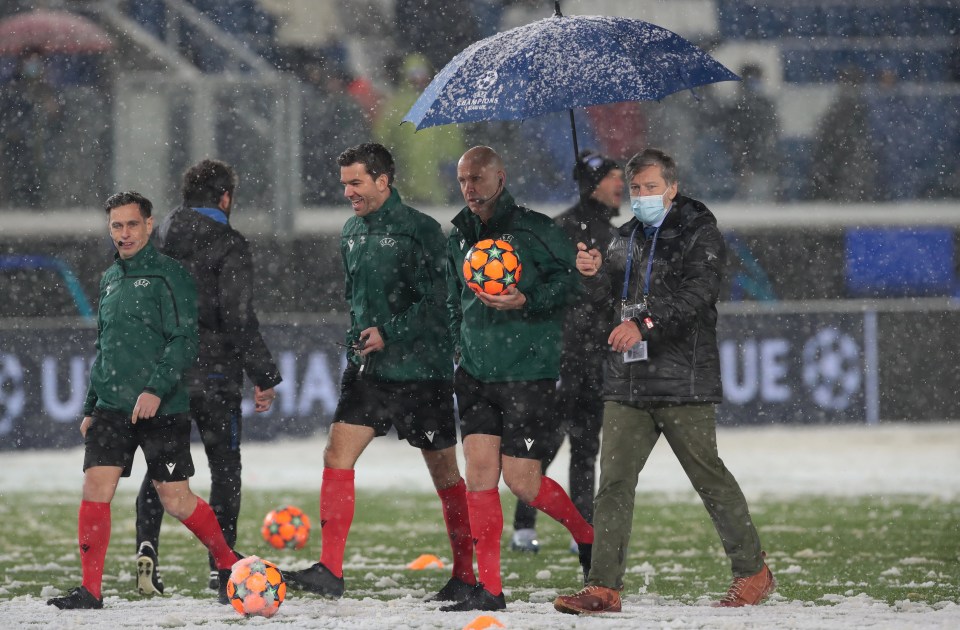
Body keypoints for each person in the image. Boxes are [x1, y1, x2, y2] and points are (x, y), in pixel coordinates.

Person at [553, 149, 776, 615]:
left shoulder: (700, 232)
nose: (642, 196)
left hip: (681, 380)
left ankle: (753, 571)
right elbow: (604, 304)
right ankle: (603, 588)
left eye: (651, 188)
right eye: (636, 188)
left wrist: (645, 325)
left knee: (707, 477)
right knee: (612, 484)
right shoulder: (624, 238)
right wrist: (592, 276)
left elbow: (697, 296)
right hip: (627, 380)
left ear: (672, 188)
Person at [285, 143, 476, 603]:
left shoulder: (423, 231)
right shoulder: (351, 230)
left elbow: (439, 301)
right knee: (336, 454)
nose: (347, 191)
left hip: (420, 372)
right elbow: (357, 298)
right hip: (370, 370)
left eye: (355, 182)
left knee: (445, 473)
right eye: (344, 183)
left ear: (383, 181)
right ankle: (330, 569)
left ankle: (466, 575)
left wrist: (389, 331)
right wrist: (361, 336)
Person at [46, 191, 240, 610]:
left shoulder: (172, 276)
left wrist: (155, 388)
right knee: (95, 489)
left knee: (175, 499)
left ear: (149, 225)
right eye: (117, 225)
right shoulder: (110, 278)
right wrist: (90, 406)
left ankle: (228, 564)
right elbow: (106, 347)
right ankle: (90, 591)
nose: (124, 233)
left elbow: (185, 341)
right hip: (111, 408)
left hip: (163, 408)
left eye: (132, 224)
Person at [442, 146, 594, 612]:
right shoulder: (458, 235)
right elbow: (452, 300)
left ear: (500, 178)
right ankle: (490, 590)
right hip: (474, 374)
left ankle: (589, 539)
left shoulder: (537, 228)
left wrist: (525, 299)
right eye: (463, 179)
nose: (469, 188)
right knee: (480, 477)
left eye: (477, 178)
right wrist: (457, 345)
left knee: (523, 482)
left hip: (528, 373)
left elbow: (575, 282)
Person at [133, 159, 282, 596]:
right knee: (225, 468)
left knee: (162, 469)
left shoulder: (156, 237)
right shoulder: (230, 243)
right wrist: (263, 374)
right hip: (215, 374)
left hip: (166, 375)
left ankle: (148, 548)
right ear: (225, 199)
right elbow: (238, 318)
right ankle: (222, 568)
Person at [510, 150, 623, 554]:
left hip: (593, 357)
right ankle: (527, 526)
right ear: (593, 183)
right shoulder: (561, 231)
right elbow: (541, 296)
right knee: (549, 442)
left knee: (585, 446)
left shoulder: (612, 234)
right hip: (564, 357)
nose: (620, 184)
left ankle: (581, 527)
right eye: (613, 176)